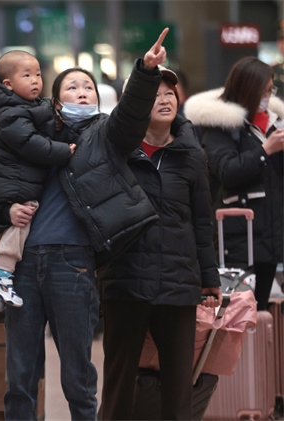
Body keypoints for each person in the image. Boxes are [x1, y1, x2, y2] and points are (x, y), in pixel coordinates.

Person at [0, 28, 169, 420]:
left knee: (78, 375)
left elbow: (133, 115)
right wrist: (4, 213)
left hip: (73, 263)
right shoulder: (29, 136)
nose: (82, 92)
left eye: (89, 87)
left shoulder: (104, 135)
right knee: (20, 376)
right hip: (22, 266)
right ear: (54, 100)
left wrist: (146, 72)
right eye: (72, 87)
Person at [97, 66, 222, 420]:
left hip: (178, 282)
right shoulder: (116, 150)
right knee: (119, 382)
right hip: (126, 280)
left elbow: (201, 221)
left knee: (179, 386)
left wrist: (209, 278)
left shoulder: (191, 154)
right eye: (154, 95)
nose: (165, 100)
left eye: (170, 93)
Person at [0, 50, 76, 310]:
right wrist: (64, 151)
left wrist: (52, 109)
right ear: (8, 84)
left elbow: (38, 116)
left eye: (38, 74)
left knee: (11, 228)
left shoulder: (20, 106)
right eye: (27, 75)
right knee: (22, 220)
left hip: (13, 179)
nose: (35, 80)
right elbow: (31, 144)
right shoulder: (8, 112)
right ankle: (3, 276)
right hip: (13, 182)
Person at [184, 56, 284, 311]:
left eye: (270, 90)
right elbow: (227, 171)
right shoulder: (222, 125)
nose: (267, 97)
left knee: (262, 313)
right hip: (240, 238)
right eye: (263, 91)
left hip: (272, 235)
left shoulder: (275, 122)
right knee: (239, 313)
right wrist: (266, 150)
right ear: (246, 89)